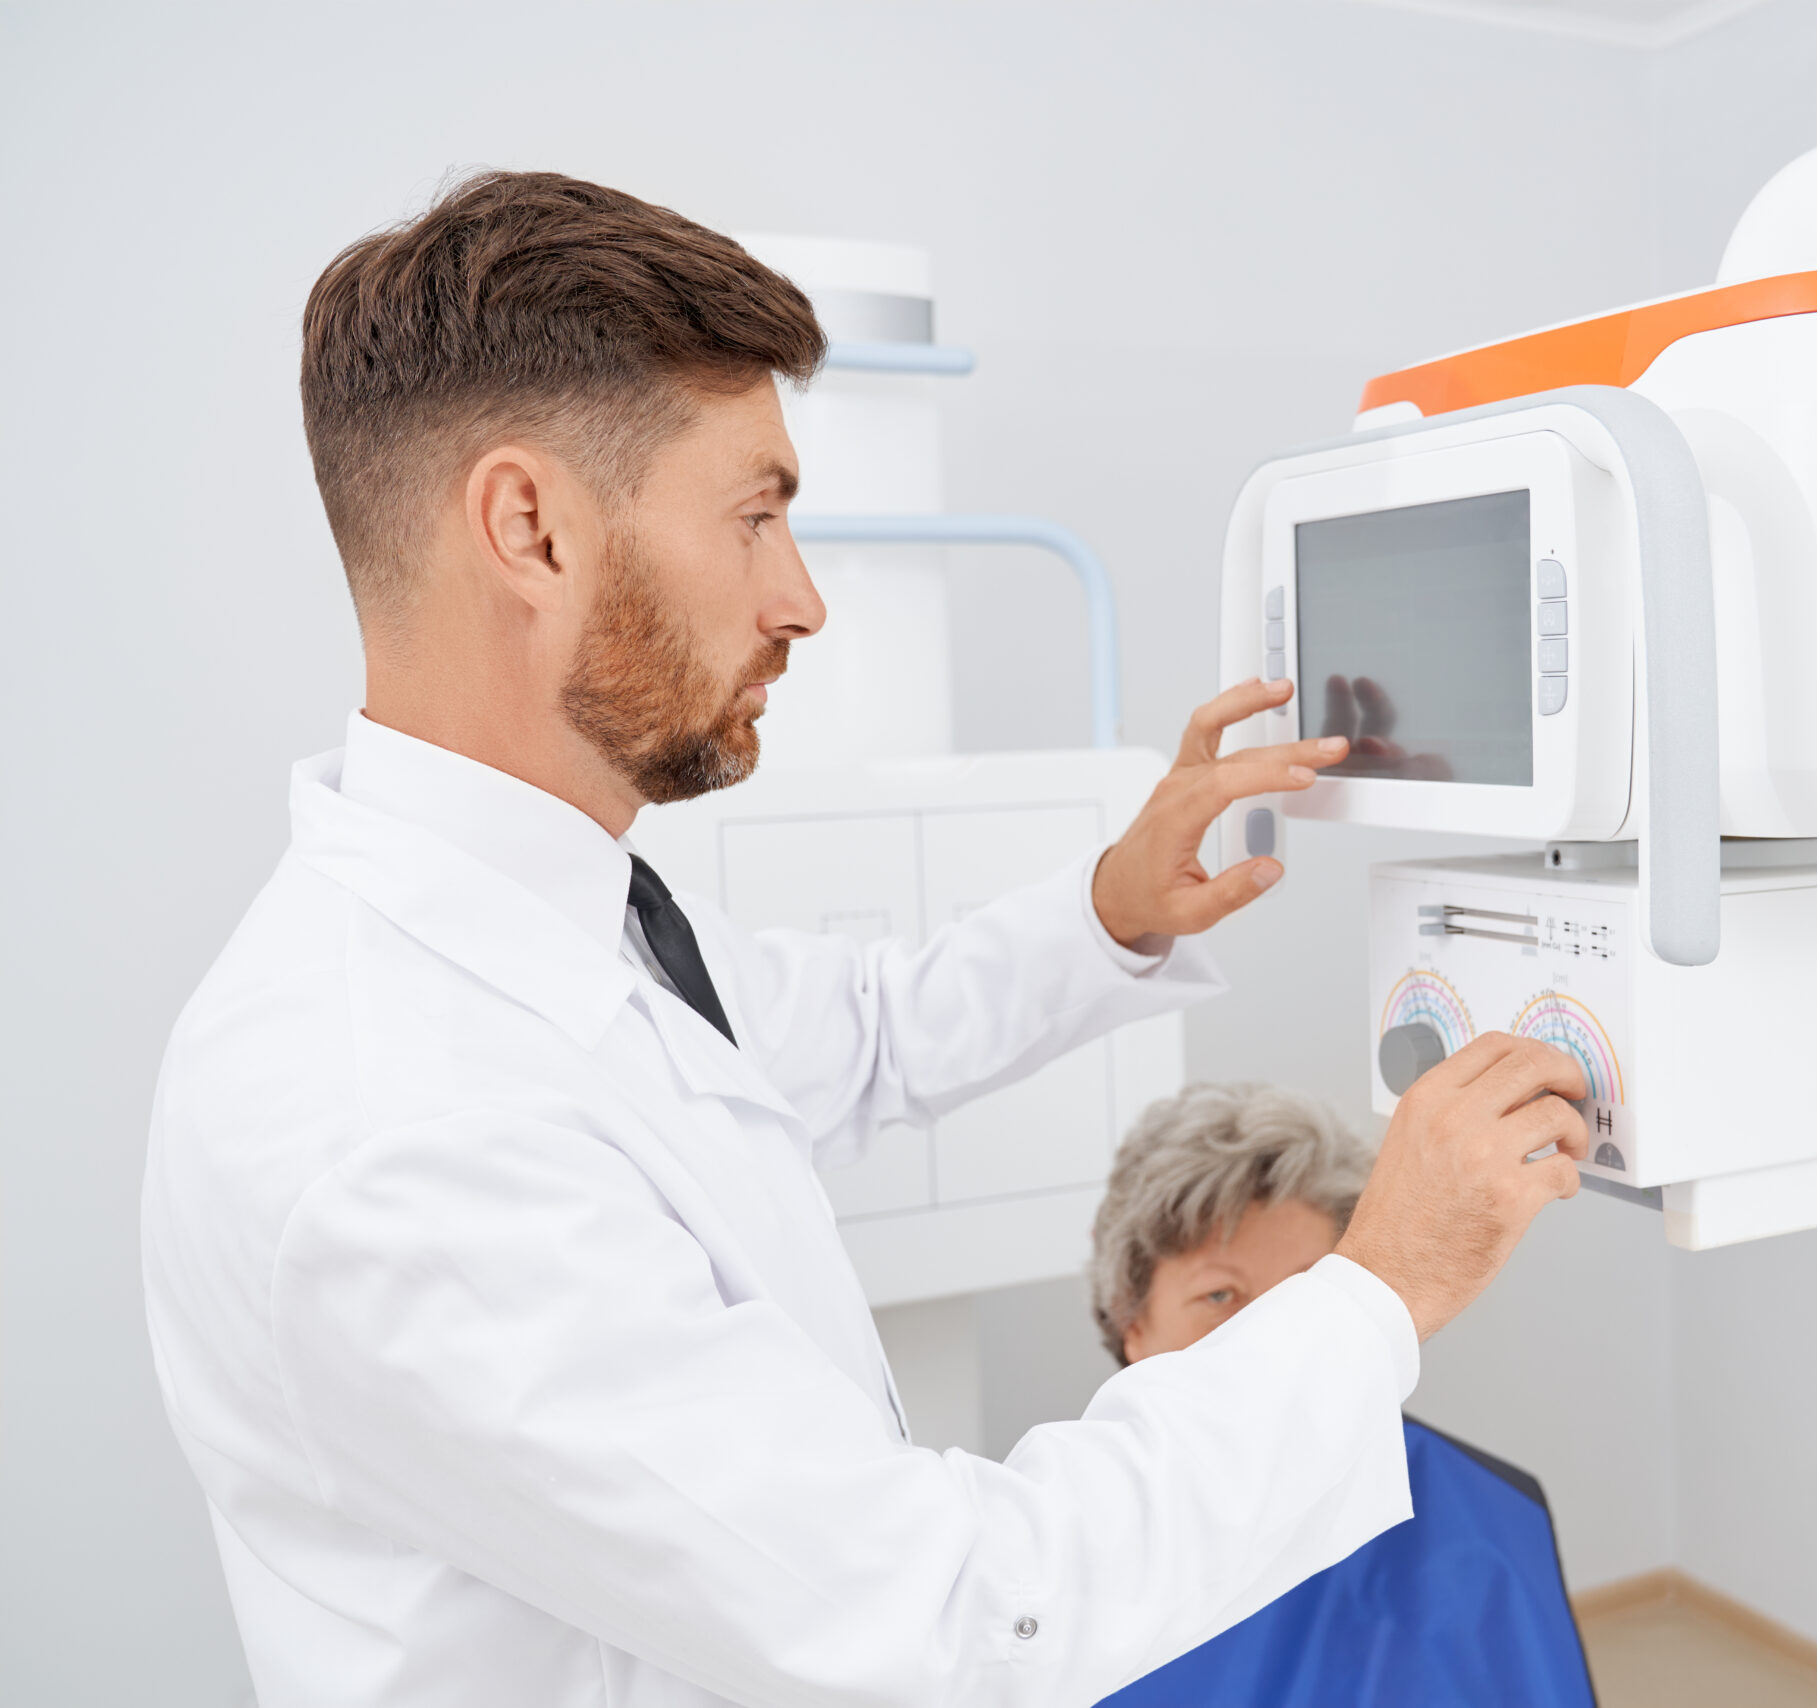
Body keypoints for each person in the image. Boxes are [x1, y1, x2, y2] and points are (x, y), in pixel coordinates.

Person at [139, 170, 1591, 1708]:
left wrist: (1112, 910)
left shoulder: (563, 919)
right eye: (756, 515)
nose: (805, 598)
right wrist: (1385, 1284)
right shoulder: (396, 1130)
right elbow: (948, 1618)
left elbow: (866, 1033)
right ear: (530, 528)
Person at [1087, 1084, 1598, 1707]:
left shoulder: (1482, 1517)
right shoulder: (1058, 1543)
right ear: (1130, 1321)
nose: (1267, 1338)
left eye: (1303, 1292)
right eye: (1221, 1296)